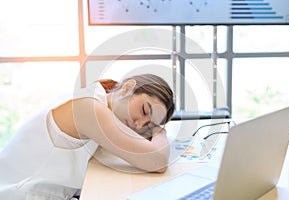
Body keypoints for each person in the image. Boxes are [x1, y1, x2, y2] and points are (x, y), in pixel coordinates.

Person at [0, 73, 175, 199]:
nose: (139, 125)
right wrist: (159, 130)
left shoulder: (97, 100)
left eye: (147, 125)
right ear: (127, 88)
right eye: (144, 110)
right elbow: (157, 161)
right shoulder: (89, 107)